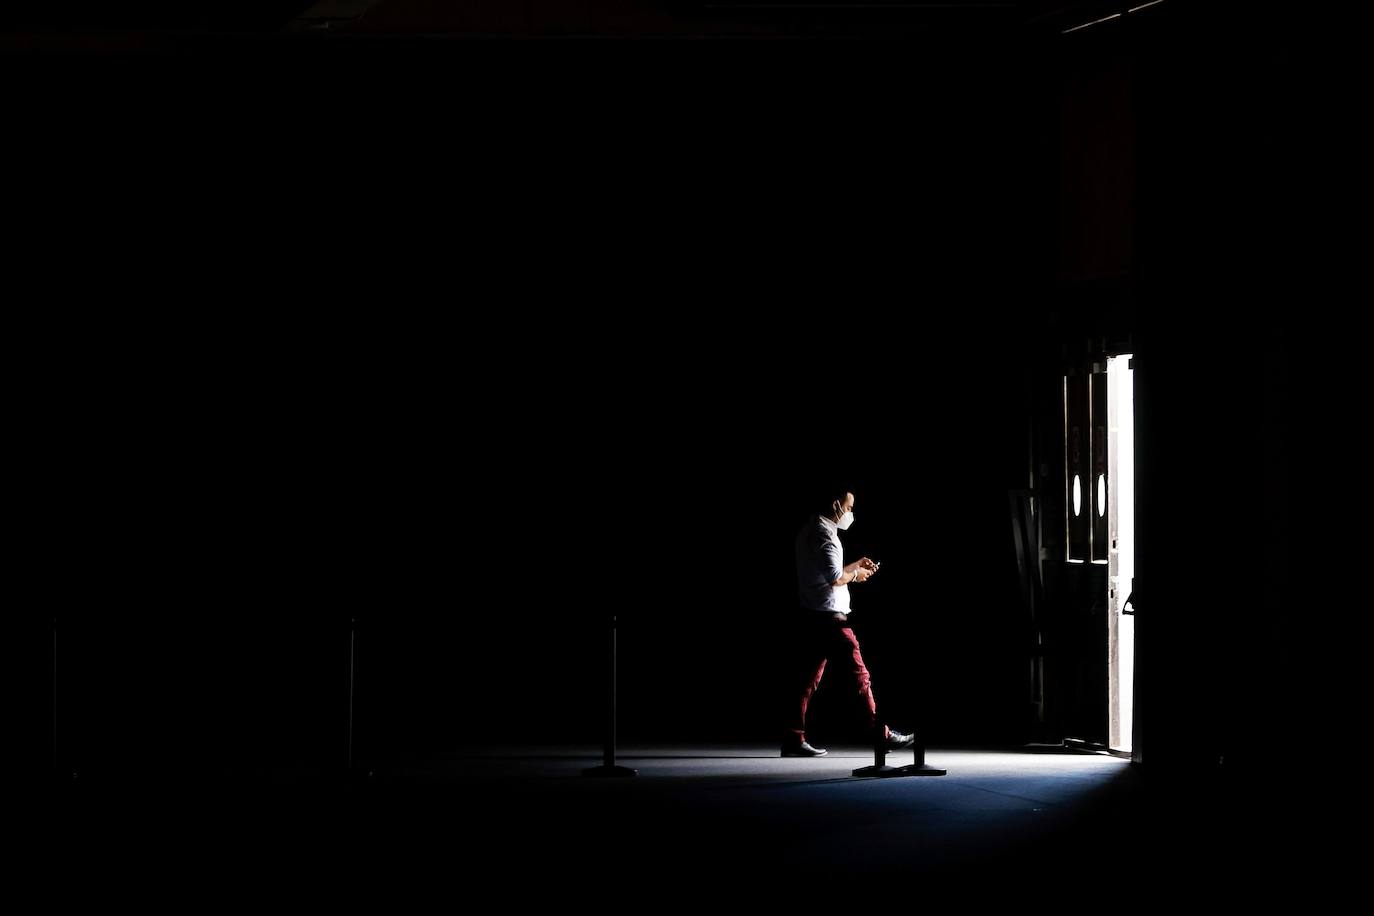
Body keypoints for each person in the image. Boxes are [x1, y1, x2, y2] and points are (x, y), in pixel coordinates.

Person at [783, 487, 914, 757]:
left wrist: (854, 566)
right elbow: (834, 577)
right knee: (859, 675)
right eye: (849, 507)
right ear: (835, 505)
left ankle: (793, 739)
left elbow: (825, 573)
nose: (851, 513)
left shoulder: (811, 529)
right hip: (830, 619)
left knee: (807, 681)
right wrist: (856, 575)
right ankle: (882, 735)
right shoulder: (825, 534)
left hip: (814, 616)